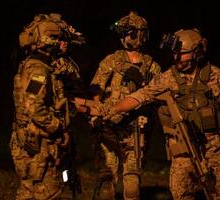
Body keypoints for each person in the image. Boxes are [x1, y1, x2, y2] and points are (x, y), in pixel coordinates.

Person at [96, 28, 220, 200]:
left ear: (197, 53)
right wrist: (111, 110)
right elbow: (139, 97)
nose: (177, 58)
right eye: (174, 53)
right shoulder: (167, 78)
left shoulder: (217, 76)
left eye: (182, 54)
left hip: (217, 147)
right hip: (184, 148)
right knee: (181, 194)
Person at [10, 13, 84, 199]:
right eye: (57, 38)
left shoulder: (35, 65)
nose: (62, 43)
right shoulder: (39, 68)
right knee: (47, 191)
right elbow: (34, 106)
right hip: (40, 144)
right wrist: (57, 127)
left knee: (28, 191)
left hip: (31, 141)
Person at [89, 11, 161, 200]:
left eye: (128, 32)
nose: (124, 37)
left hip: (135, 130)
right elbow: (96, 89)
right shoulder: (112, 60)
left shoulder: (152, 67)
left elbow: (157, 97)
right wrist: (97, 112)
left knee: (132, 181)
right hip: (109, 128)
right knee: (106, 179)